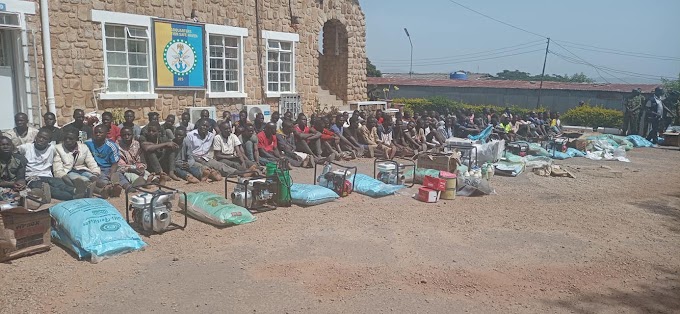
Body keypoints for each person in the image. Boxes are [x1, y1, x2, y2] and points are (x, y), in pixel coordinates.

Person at [19, 128, 82, 201]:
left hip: (47, 175)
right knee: (50, 189)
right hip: (32, 178)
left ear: (49, 141)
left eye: (45, 138)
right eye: (40, 137)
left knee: (59, 183)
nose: (41, 140)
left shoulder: (52, 148)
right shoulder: (26, 147)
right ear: (36, 137)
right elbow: (13, 151)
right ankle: (72, 197)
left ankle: (75, 191)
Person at [53, 128, 100, 197]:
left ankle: (108, 187)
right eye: (65, 138)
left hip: (81, 169)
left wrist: (95, 172)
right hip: (67, 171)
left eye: (71, 139)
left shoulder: (83, 147)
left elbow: (91, 162)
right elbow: (57, 168)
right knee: (82, 180)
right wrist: (65, 178)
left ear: (76, 139)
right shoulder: (58, 148)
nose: (67, 141)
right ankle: (99, 191)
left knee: (92, 177)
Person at [85, 124, 128, 198]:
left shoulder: (111, 146)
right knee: (102, 180)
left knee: (119, 176)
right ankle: (109, 189)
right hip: (96, 168)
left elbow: (114, 163)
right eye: (96, 133)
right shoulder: (88, 143)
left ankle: (125, 186)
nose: (98, 134)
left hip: (110, 167)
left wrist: (111, 174)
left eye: (100, 132)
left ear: (106, 134)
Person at [0, 136, 28, 202]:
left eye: (8, 145)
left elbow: (21, 177)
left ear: (12, 146)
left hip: (15, 185)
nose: (5, 147)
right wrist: (11, 184)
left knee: (27, 194)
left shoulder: (19, 159)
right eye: (3, 145)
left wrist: (21, 184)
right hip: (3, 185)